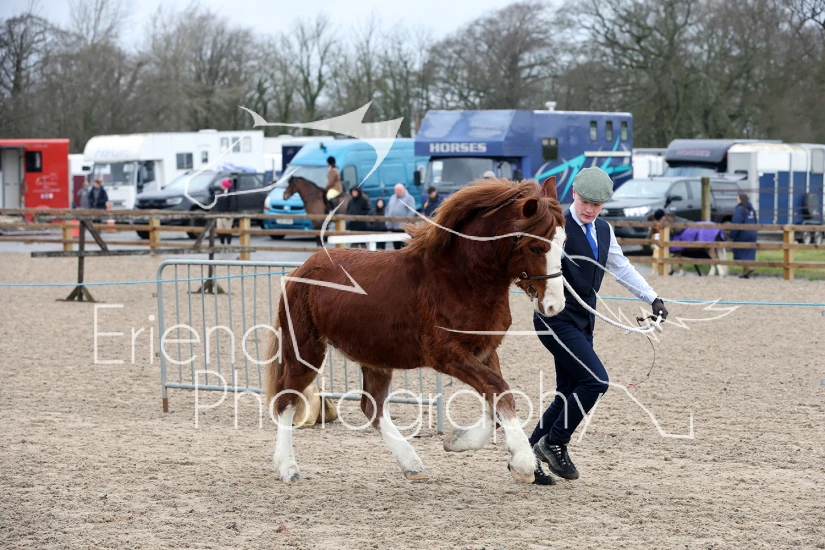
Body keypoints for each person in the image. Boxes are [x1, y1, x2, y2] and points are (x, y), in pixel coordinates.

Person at [529, 167, 669, 486]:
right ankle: (554, 442)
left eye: (597, 204)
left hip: (583, 322)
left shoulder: (604, 230)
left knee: (568, 392)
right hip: (554, 320)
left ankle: (524, 457)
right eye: (586, 202)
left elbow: (622, 268)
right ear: (574, 194)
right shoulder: (556, 227)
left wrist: (653, 298)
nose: (590, 209)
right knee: (596, 381)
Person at [730, 192, 757, 278]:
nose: (737, 201)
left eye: (737, 199)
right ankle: (745, 272)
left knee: (741, 251)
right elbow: (755, 221)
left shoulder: (740, 209)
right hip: (752, 233)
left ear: (741, 199)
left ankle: (748, 268)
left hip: (743, 234)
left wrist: (732, 234)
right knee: (748, 252)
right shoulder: (751, 209)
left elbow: (737, 223)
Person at [385, 183, 416, 250]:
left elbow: (411, 211)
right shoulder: (393, 197)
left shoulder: (409, 198)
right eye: (395, 190)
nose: (396, 192)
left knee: (405, 246)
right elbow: (387, 209)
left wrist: (406, 222)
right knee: (396, 246)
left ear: (402, 190)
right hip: (393, 226)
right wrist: (387, 219)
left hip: (403, 228)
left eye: (398, 190)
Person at [214, 178, 236, 245]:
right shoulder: (219, 193)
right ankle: (222, 243)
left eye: (222, 184)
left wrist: (229, 213)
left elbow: (232, 204)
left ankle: (228, 244)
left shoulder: (231, 193)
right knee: (220, 229)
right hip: (220, 214)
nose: (221, 186)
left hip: (227, 214)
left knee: (228, 229)